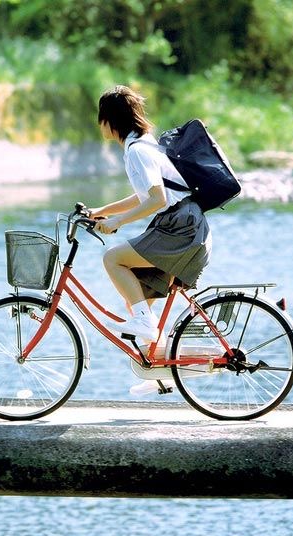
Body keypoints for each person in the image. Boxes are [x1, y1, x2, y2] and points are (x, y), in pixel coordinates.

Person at [90, 85, 212, 345]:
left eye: (101, 117)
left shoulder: (138, 152)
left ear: (111, 120)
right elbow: (145, 195)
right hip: (183, 224)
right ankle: (160, 372)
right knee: (139, 303)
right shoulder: (142, 145)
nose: (100, 124)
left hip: (181, 227)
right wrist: (103, 211)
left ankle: (145, 323)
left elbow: (158, 199)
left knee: (113, 259)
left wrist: (117, 222)